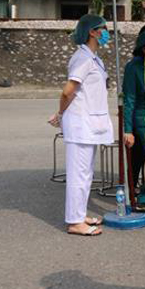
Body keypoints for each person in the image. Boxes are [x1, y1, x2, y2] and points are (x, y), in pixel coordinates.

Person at [49, 14, 114, 237]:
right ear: (92, 32)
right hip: (80, 124)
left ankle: (79, 214)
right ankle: (75, 222)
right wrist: (60, 113)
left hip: (89, 123)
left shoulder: (94, 58)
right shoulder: (82, 59)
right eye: (103, 28)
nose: (107, 32)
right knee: (78, 174)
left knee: (85, 174)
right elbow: (68, 91)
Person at [122, 23, 145, 206]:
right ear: (144, 48)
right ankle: (144, 197)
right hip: (142, 118)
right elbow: (129, 100)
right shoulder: (133, 68)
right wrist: (127, 130)